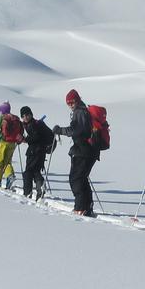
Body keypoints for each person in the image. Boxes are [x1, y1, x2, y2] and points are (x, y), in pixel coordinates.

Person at [53, 88, 99, 216]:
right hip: (89, 150)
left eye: (73, 102)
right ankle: (87, 206)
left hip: (83, 150)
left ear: (77, 100)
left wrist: (60, 130)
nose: (71, 105)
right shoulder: (84, 111)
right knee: (81, 178)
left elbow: (75, 130)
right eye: (69, 103)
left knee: (76, 179)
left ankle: (80, 208)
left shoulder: (80, 112)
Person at [20, 106, 54, 201]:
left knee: (28, 172)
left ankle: (28, 193)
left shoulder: (33, 124)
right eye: (23, 116)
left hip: (35, 151)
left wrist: (24, 139)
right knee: (35, 171)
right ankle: (40, 187)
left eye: (27, 115)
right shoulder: (33, 123)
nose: (25, 117)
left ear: (31, 114)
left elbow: (36, 137)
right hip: (40, 151)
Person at [0, 101, 21, 189]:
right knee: (7, 161)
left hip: (3, 143)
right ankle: (10, 175)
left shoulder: (1, 118)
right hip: (12, 143)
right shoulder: (15, 118)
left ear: (2, 110)